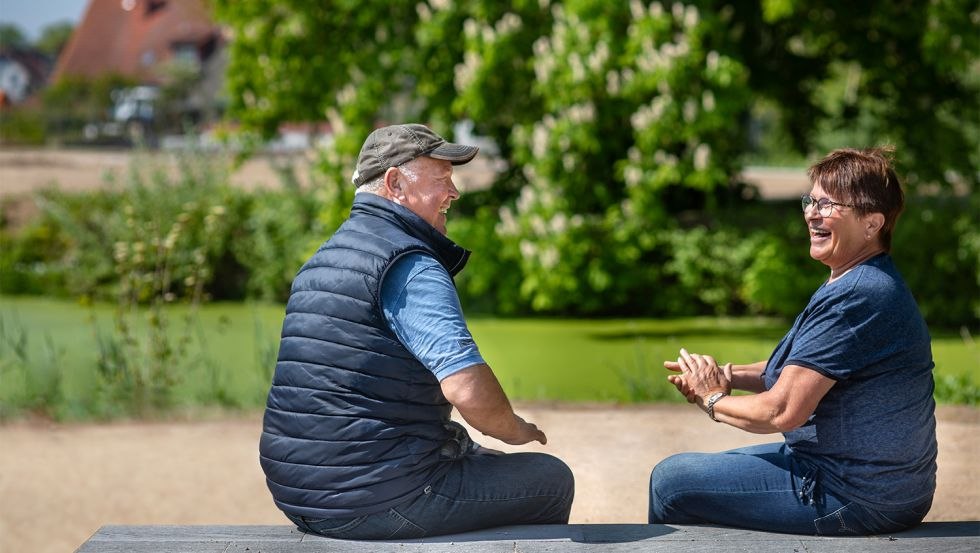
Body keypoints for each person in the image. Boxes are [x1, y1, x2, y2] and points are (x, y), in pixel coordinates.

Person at [259, 123, 574, 540]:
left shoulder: (322, 260)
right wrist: (518, 430)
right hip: (374, 499)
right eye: (442, 179)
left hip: (300, 494)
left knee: (480, 460)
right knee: (549, 479)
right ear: (395, 183)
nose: (454, 192)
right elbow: (467, 391)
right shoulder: (410, 265)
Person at [648, 147, 937, 535]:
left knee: (672, 481)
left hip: (856, 495)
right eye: (810, 200)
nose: (811, 213)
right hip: (880, 485)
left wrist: (712, 399)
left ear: (872, 224)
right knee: (698, 472)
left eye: (828, 204)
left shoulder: (858, 296)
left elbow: (783, 411)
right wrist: (724, 375)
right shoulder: (861, 279)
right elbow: (794, 369)